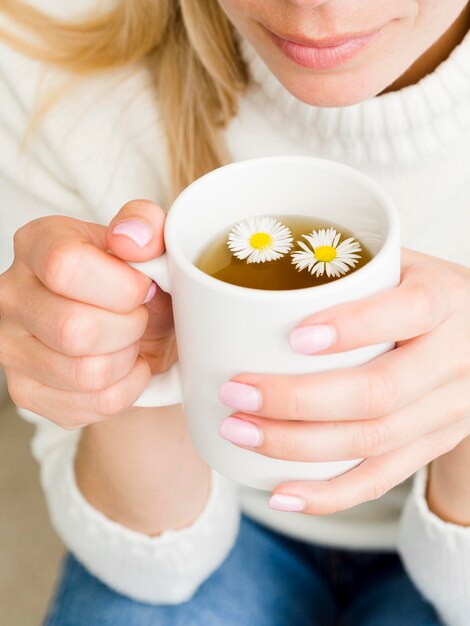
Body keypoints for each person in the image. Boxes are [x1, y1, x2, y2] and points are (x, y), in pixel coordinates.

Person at [0, 1, 469, 624]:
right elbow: (155, 568)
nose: (316, 8)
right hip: (216, 519)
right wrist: (130, 365)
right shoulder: (51, 56)